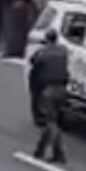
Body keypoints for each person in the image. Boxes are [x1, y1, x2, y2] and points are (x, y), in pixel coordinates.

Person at [27, 28, 69, 163]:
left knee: (51, 122)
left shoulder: (43, 52)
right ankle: (40, 149)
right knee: (52, 120)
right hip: (62, 89)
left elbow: (33, 61)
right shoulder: (63, 51)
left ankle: (59, 153)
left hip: (49, 89)